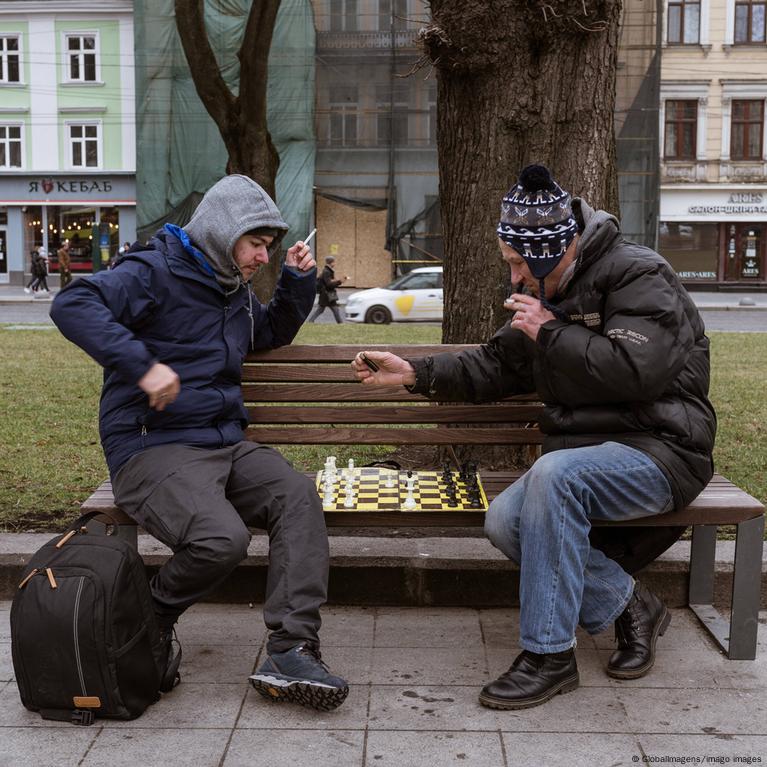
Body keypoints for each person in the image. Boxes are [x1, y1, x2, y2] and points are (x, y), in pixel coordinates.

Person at [351, 164, 716, 710]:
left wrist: (550, 331)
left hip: (663, 450)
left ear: (551, 253)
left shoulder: (639, 276)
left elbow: (638, 372)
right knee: (505, 520)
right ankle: (630, 604)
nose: (515, 278)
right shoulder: (548, 299)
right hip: (582, 460)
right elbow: (494, 367)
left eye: (520, 264)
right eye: (510, 264)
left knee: (554, 475)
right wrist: (414, 374)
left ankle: (549, 655)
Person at [51, 174, 349, 711]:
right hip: (151, 446)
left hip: (223, 443)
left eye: (269, 247)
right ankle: (151, 618)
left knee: (296, 496)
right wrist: (143, 367)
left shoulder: (229, 286)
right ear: (221, 230)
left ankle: (290, 648)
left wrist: (298, 282)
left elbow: (269, 334)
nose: (263, 256)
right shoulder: (152, 271)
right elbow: (73, 305)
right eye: (255, 244)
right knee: (221, 540)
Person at [308, 255, 346, 323]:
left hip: (327, 295)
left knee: (323, 309)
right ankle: (340, 323)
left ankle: (310, 321)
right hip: (327, 295)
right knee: (331, 309)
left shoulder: (328, 271)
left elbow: (330, 282)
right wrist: (339, 282)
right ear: (331, 263)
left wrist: (338, 281)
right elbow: (329, 284)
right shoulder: (327, 272)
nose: (334, 264)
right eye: (334, 262)